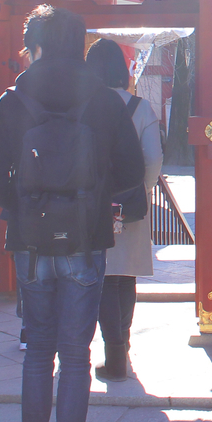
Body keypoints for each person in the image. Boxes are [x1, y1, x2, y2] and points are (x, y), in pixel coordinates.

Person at [0, 5, 144, 422]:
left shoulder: (13, 99)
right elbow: (131, 173)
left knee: (38, 349)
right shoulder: (105, 100)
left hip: (30, 240)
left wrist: (25, 202)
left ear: (38, 46)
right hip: (85, 239)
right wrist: (90, 198)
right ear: (80, 45)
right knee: (75, 353)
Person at [84, 38, 163, 384]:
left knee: (101, 279)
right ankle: (123, 349)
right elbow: (154, 159)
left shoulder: (83, 105)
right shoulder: (140, 107)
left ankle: (112, 352)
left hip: (91, 204)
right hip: (127, 204)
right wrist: (137, 192)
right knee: (125, 277)